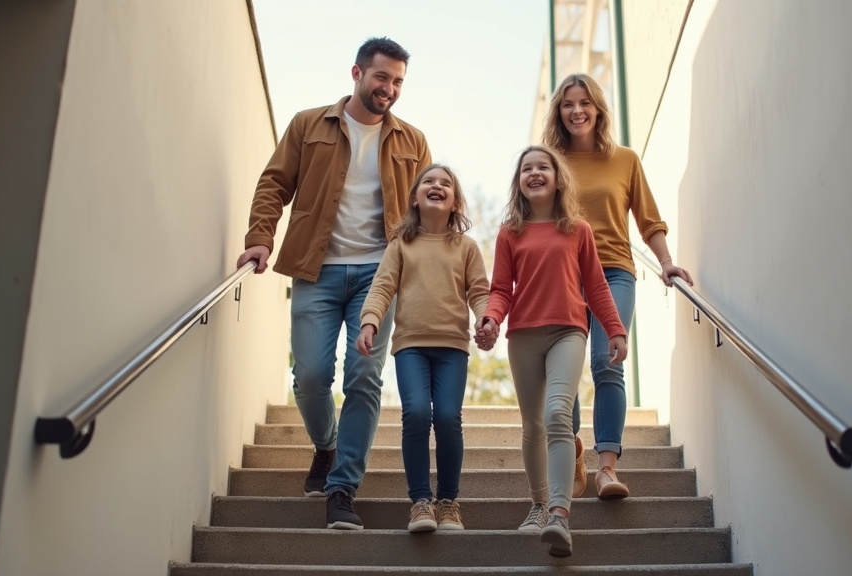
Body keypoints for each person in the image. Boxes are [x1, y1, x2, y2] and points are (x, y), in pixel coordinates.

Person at [236, 37, 431, 530]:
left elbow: (428, 210)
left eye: (398, 81)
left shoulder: (413, 140)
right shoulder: (308, 124)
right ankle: (325, 445)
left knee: (363, 377)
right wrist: (260, 237)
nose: (389, 89)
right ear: (357, 73)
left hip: (379, 274)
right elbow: (274, 183)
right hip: (315, 269)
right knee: (312, 376)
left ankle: (342, 488)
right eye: (382, 77)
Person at [541, 73, 693, 500]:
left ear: (598, 109)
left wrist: (666, 263)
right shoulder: (549, 160)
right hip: (563, 276)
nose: (577, 111)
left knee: (608, 362)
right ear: (559, 111)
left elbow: (648, 219)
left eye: (585, 103)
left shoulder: (624, 159)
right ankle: (570, 448)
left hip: (613, 273)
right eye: (568, 104)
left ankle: (607, 468)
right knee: (563, 371)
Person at [479, 145, 628, 558]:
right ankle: (539, 504)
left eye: (542, 166)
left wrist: (614, 329)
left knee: (557, 413)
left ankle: (560, 515)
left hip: (568, 331)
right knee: (532, 426)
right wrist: (491, 319)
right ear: (519, 183)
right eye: (526, 169)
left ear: (558, 178)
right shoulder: (510, 233)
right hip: (523, 335)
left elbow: (596, 286)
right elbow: (500, 289)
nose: (535, 173)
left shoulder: (577, 229)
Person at [355, 164, 494, 533]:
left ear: (455, 201)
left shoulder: (466, 247)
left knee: (448, 417)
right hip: (411, 346)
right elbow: (383, 286)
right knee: (416, 413)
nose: (436, 186)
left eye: (445, 183)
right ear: (415, 198)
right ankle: (420, 502)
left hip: (452, 347)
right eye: (428, 182)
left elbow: (480, 291)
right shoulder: (401, 245)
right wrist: (369, 321)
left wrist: (486, 318)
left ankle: (448, 502)